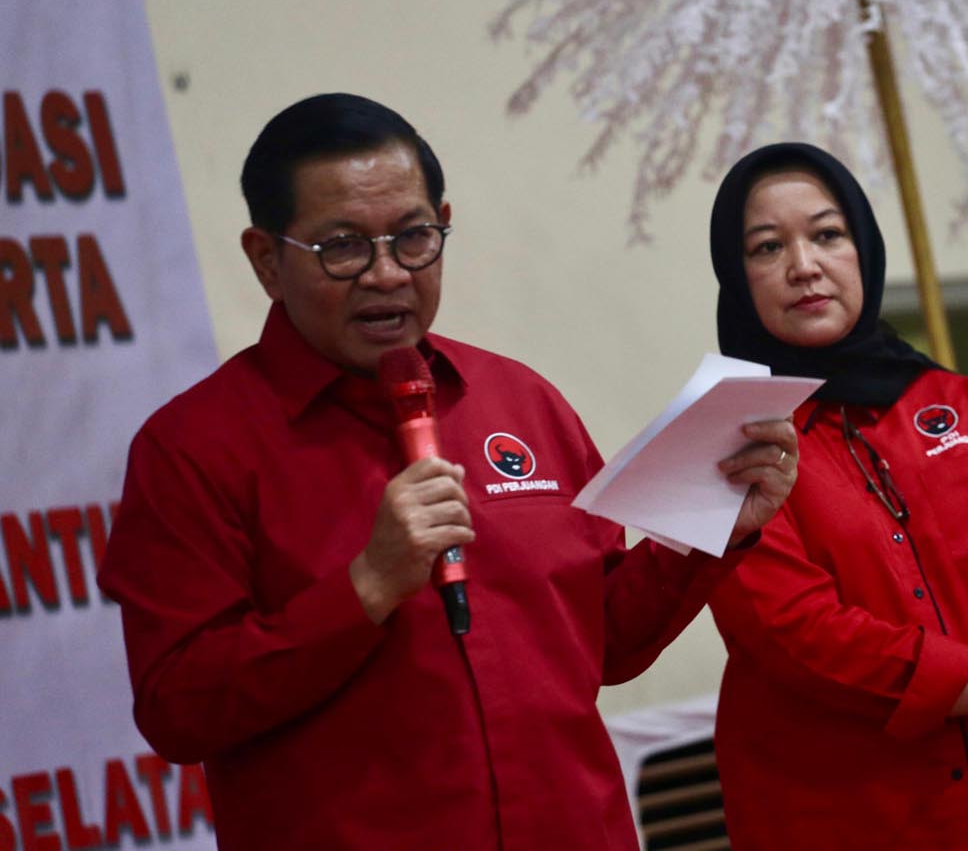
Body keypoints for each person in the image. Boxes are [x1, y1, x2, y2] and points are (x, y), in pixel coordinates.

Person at [97, 93, 799, 850]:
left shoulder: (520, 400)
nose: (386, 274)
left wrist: (709, 522)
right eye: (342, 247)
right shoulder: (194, 448)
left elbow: (606, 644)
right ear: (267, 260)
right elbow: (178, 709)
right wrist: (367, 587)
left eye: (413, 238)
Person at [704, 142, 968, 851]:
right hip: (836, 819)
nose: (804, 265)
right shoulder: (724, 437)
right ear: (737, 277)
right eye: (767, 247)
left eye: (827, 234)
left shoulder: (956, 402)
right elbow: (805, 640)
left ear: (864, 246)